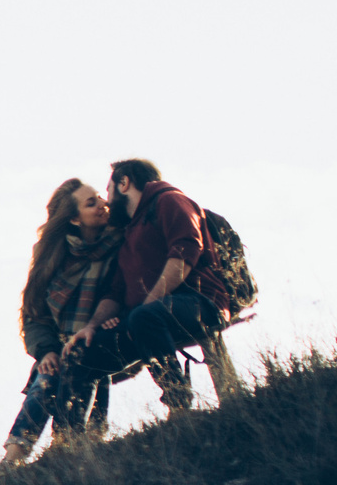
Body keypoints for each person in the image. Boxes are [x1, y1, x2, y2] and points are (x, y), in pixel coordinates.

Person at [63, 158, 230, 390]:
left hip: (201, 304)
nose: (107, 202)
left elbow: (185, 253)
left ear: (124, 183)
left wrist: (145, 307)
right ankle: (73, 428)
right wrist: (92, 326)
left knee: (144, 317)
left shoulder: (169, 200)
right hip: (146, 320)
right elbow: (116, 291)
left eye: (108, 191)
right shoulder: (130, 231)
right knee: (81, 355)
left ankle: (178, 400)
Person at [0, 177, 122, 467]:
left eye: (99, 198)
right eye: (91, 203)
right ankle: (17, 456)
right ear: (74, 219)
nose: (103, 204)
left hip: (106, 333)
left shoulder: (120, 242)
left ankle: (67, 443)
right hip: (62, 343)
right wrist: (45, 351)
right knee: (49, 373)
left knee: (85, 355)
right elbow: (34, 314)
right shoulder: (53, 256)